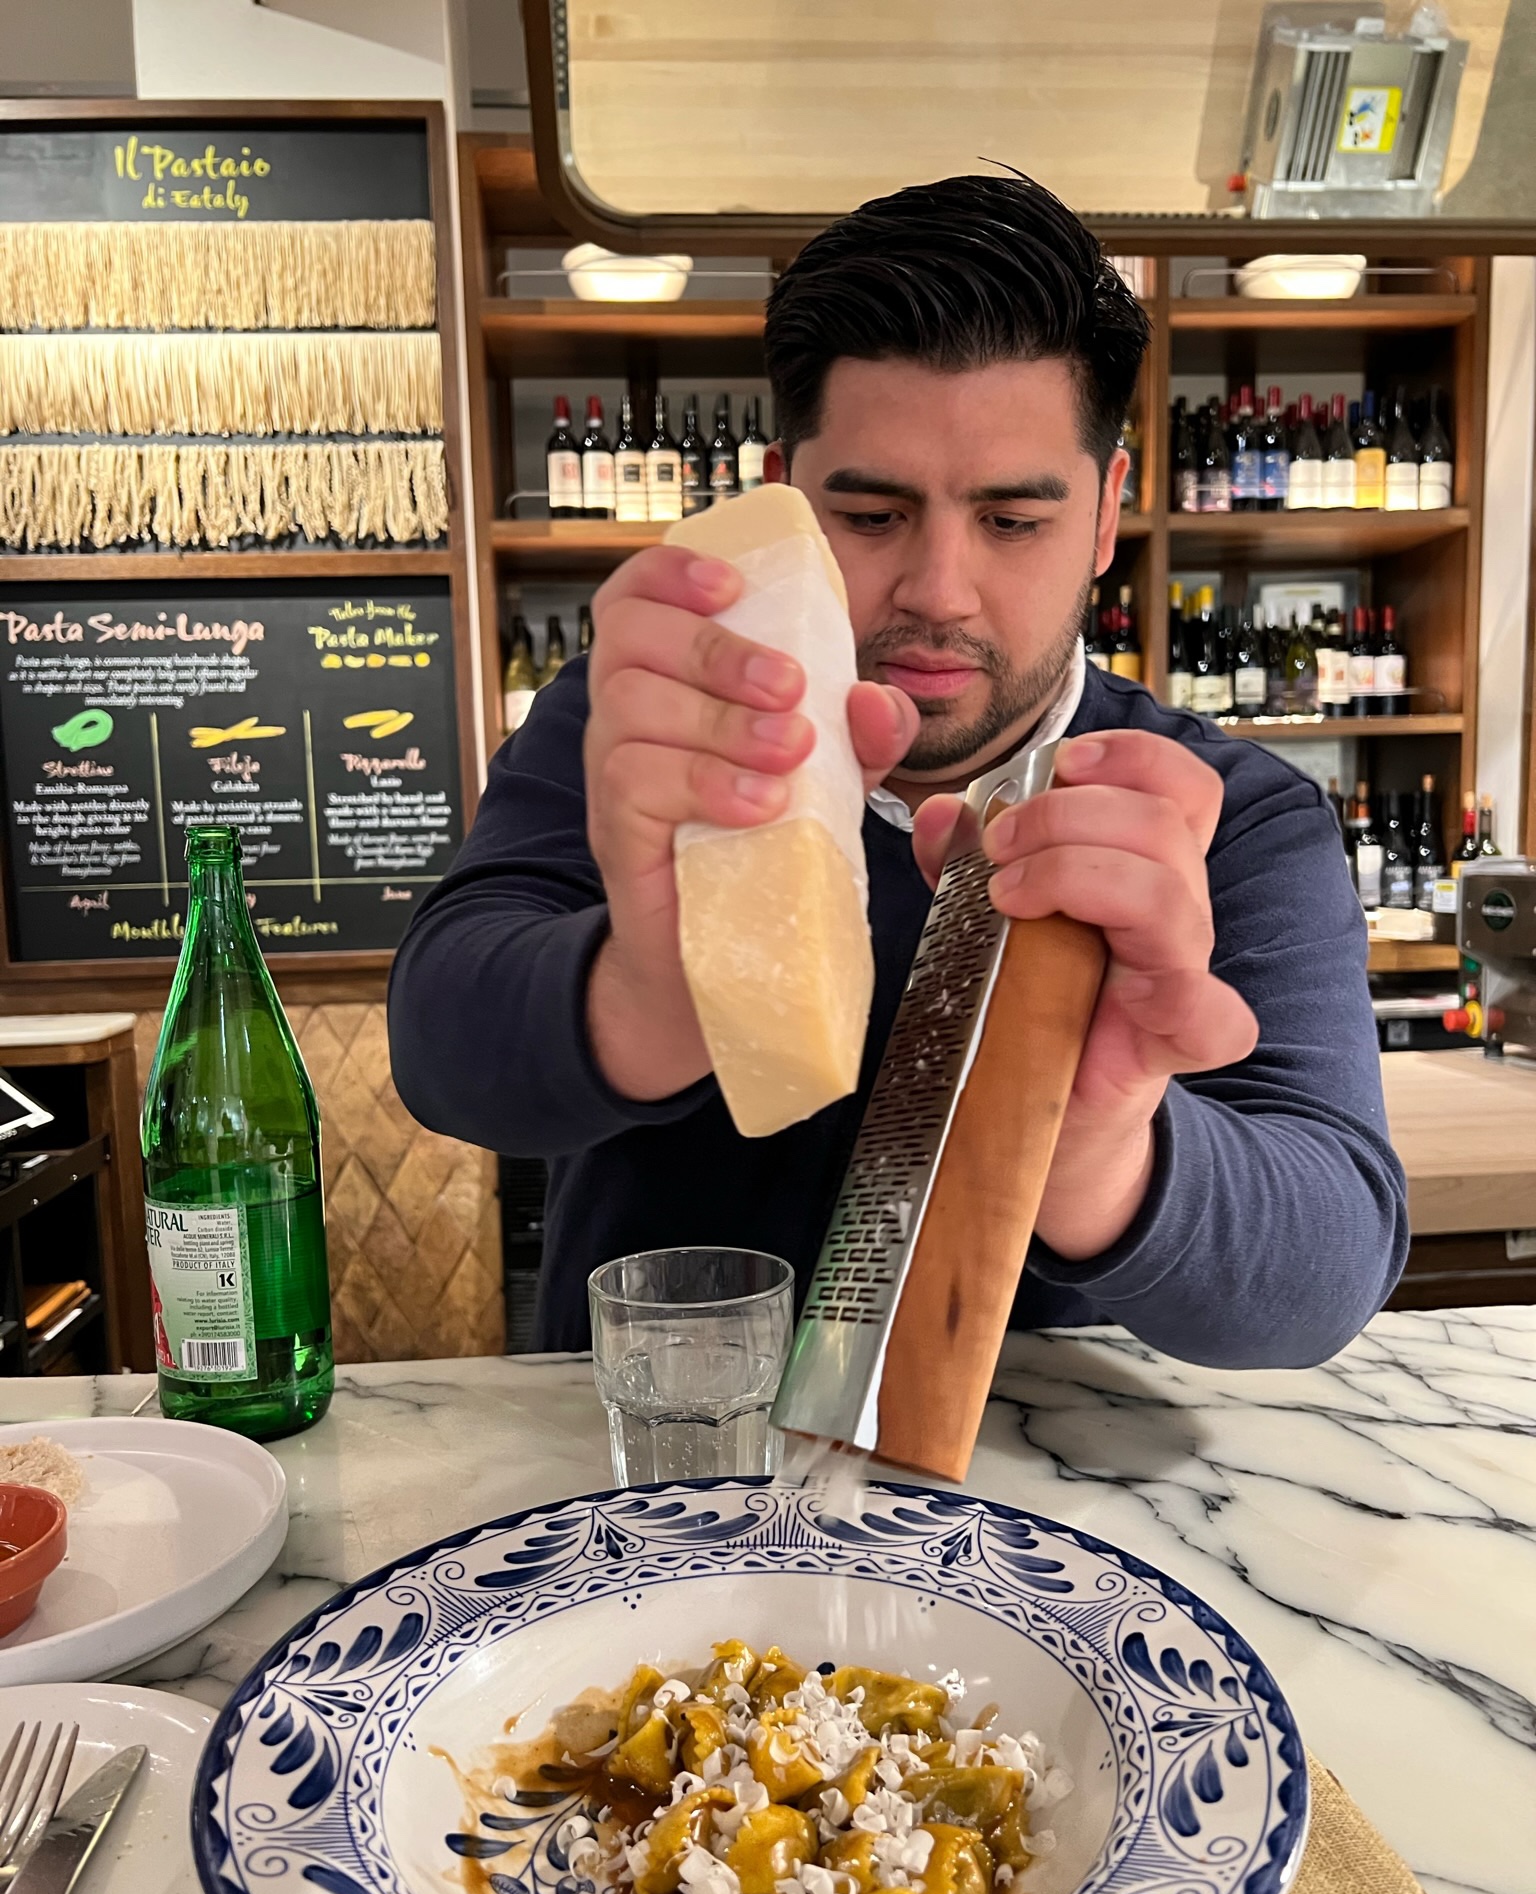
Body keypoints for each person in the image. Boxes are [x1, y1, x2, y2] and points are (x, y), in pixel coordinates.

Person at [389, 174, 1407, 1366]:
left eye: (1013, 522)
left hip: (1045, 1470)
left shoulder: (1218, 816)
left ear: (1106, 513)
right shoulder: (657, 729)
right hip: (663, 1452)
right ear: (787, 492)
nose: (939, 591)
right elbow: (441, 1053)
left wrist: (1098, 1149)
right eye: (871, 516)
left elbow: (1327, 1270)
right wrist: (653, 986)